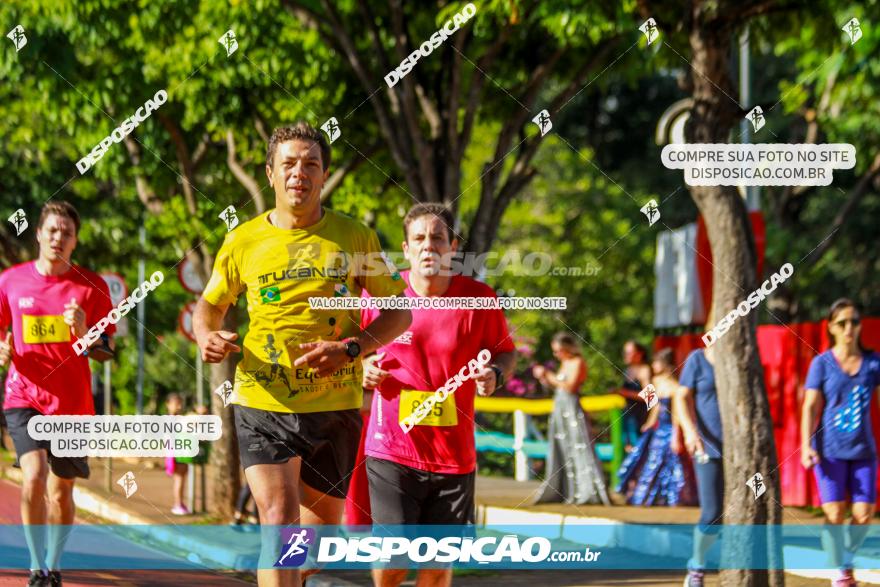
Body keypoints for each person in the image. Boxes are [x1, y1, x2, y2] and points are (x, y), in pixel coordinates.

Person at [194, 121, 411, 587]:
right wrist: (205, 335)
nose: (299, 173)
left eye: (311, 164)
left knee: (316, 539)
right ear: (270, 173)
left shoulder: (355, 238)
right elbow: (210, 305)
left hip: (333, 407)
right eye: (288, 164)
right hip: (262, 400)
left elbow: (399, 312)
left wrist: (352, 347)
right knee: (279, 520)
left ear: (324, 175)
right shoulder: (243, 240)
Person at [361, 203, 516, 587]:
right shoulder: (381, 297)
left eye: (437, 238)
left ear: (453, 247)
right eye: (419, 239)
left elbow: (505, 350)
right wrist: (361, 367)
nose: (428, 246)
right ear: (406, 248)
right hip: (391, 448)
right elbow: (352, 349)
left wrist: (496, 373)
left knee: (436, 568)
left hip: (453, 458)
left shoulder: (479, 299)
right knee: (395, 558)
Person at [0, 201, 116, 587]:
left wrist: (85, 330)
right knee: (32, 475)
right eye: (52, 230)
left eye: (66, 233)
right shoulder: (10, 282)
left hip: (71, 404)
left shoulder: (92, 287)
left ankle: (53, 563)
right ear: (38, 233)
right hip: (24, 395)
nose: (58, 238)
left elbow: (105, 352)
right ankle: (35, 567)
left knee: (61, 489)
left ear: (75, 241)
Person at [801, 299, 880, 587]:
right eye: (843, 323)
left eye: (855, 322)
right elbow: (810, 405)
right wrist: (805, 444)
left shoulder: (874, 363)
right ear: (831, 327)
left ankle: (844, 555)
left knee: (863, 515)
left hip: (864, 451)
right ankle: (840, 573)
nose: (850, 328)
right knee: (834, 512)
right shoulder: (821, 364)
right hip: (828, 450)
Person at [532, 333, 610, 505]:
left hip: (572, 409)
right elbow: (557, 386)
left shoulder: (578, 362)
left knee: (579, 445)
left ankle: (587, 490)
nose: (556, 355)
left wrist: (549, 375)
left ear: (567, 348)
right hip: (559, 407)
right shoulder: (564, 363)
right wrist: (544, 378)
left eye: (558, 351)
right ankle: (564, 489)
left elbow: (570, 387)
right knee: (561, 447)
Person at [615, 348, 697, 506]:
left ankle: (672, 497)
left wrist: (675, 436)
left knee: (671, 462)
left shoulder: (674, 386)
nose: (653, 365)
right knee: (651, 461)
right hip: (659, 429)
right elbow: (655, 406)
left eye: (656, 362)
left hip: (669, 429)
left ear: (664, 365)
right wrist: (650, 423)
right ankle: (648, 496)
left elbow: (677, 415)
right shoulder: (657, 382)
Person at [675, 344, 723, 587]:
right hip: (708, 449)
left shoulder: (741, 354)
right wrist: (689, 432)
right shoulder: (697, 359)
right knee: (712, 512)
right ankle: (697, 566)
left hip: (742, 451)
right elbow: (680, 397)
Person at [617, 341, 652, 451]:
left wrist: (623, 392)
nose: (625, 355)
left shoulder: (645, 370)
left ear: (639, 354)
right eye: (624, 352)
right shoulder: (627, 370)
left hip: (640, 418)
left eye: (629, 352)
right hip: (628, 416)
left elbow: (650, 397)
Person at [164, 393, 190, 516]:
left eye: (180, 403)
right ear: (168, 405)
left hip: (181, 452)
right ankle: (177, 504)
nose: (178, 406)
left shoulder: (178, 418)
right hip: (175, 453)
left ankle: (180, 503)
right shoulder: (170, 419)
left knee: (181, 478)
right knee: (179, 479)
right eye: (176, 404)